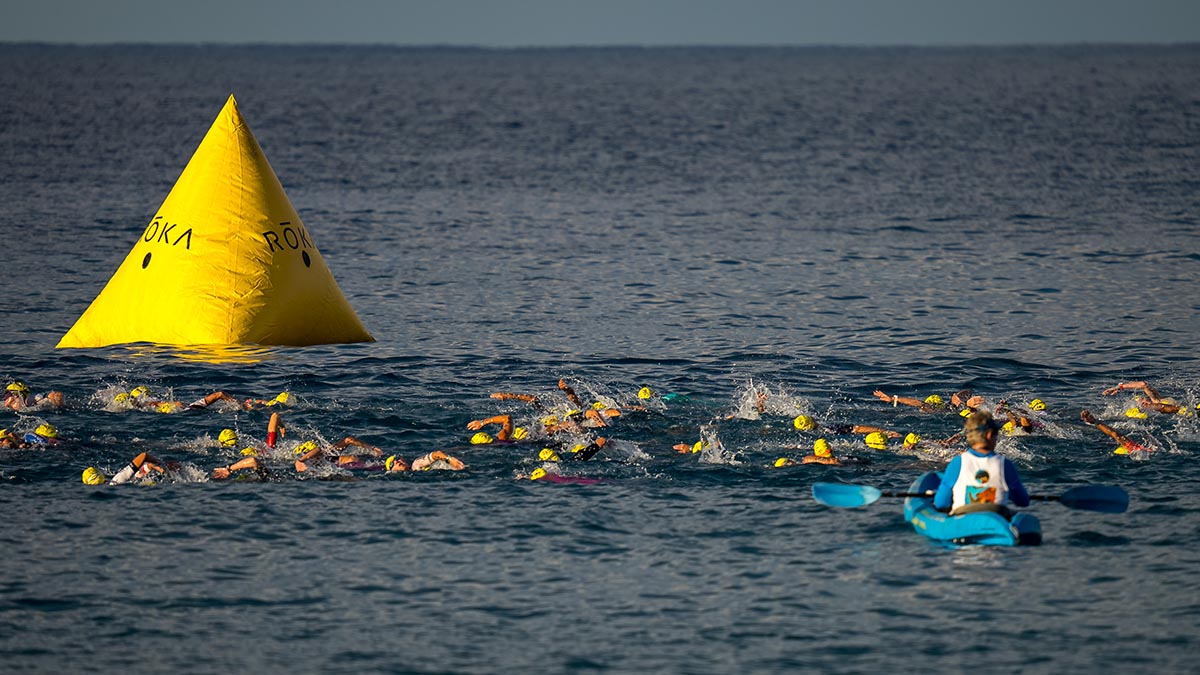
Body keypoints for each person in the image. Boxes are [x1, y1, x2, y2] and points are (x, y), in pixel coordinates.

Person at [933, 411, 1030, 516]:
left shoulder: (957, 463)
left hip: (962, 520)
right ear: (989, 435)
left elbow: (941, 503)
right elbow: (1023, 501)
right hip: (995, 519)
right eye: (996, 433)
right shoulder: (1005, 465)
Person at [293, 436, 387, 472]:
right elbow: (349, 440)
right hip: (364, 461)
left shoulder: (327, 453)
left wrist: (301, 460)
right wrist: (372, 449)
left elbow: (318, 450)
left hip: (359, 465)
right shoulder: (328, 455)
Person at [1081, 409, 1151, 454]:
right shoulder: (1100, 425)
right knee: (1117, 434)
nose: (1092, 416)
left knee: (1119, 435)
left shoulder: (1099, 424)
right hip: (1125, 443)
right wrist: (1125, 446)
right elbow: (1115, 435)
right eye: (1090, 416)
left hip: (1126, 442)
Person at [1103, 381, 1189, 415]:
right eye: (1141, 404)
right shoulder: (1153, 410)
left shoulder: (1156, 399)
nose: (1143, 404)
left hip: (1185, 411)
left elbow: (1143, 384)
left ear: (1145, 397)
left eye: (1142, 400)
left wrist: (1118, 387)